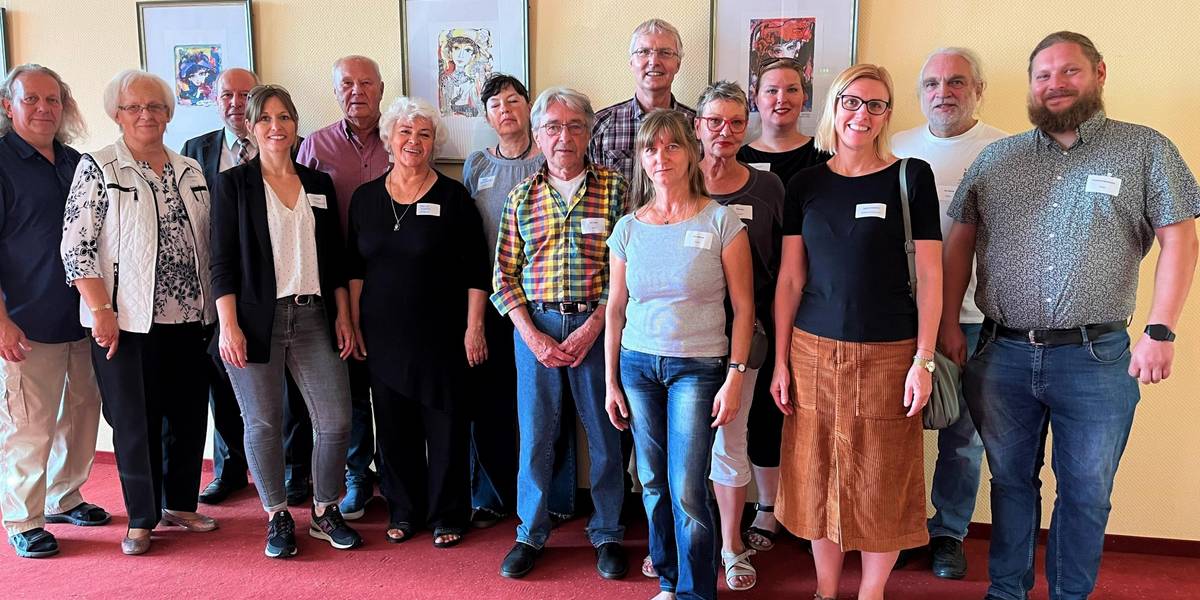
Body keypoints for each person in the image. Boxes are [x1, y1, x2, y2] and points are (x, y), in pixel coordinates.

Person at [944, 32, 1200, 600]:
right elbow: (958, 242)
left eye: (1069, 72)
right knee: (1010, 484)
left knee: (1086, 490)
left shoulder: (1144, 150)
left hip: (1097, 356)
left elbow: (1181, 239)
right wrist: (945, 326)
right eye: (1044, 75)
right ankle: (1006, 591)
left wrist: (1161, 329)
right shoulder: (998, 158)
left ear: (1099, 74)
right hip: (1002, 353)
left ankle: (1068, 594)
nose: (1055, 84)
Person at [771, 64, 941, 600]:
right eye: (851, 101)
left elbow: (933, 278)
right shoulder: (804, 183)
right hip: (811, 351)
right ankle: (825, 590)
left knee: (881, 481)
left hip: (890, 353)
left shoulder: (912, 178)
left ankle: (871, 593)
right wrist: (779, 360)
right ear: (833, 106)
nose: (861, 115)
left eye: (875, 105)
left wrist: (925, 359)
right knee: (817, 477)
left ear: (888, 114)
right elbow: (791, 278)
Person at [60, 69, 218, 555]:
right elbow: (76, 247)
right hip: (125, 322)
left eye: (155, 106)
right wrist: (100, 308)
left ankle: (182, 503)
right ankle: (142, 518)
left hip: (191, 319)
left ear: (170, 113)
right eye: (134, 107)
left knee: (188, 416)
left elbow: (209, 242)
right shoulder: (98, 166)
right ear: (117, 114)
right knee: (135, 420)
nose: (146, 115)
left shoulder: (190, 168)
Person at [605, 108, 753, 600]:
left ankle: (696, 592)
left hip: (699, 368)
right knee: (649, 481)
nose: (660, 157)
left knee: (688, 486)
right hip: (638, 366)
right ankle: (668, 582)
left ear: (691, 153)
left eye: (672, 146)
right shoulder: (628, 228)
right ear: (641, 158)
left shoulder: (720, 221)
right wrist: (610, 381)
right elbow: (616, 309)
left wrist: (734, 377)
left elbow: (745, 307)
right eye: (651, 148)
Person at [210, 84, 361, 558]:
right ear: (251, 128)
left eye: (284, 117)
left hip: (314, 314)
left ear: (296, 124)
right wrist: (229, 326)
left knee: (336, 421)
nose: (276, 127)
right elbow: (222, 263)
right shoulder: (233, 185)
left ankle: (324, 509)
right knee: (263, 424)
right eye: (265, 119)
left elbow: (334, 260)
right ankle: (276, 515)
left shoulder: (318, 184)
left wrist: (343, 314)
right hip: (255, 320)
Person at [494, 87, 627, 580]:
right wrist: (531, 335)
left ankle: (609, 531)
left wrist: (596, 325)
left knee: (606, 432)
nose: (563, 136)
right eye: (552, 127)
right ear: (538, 135)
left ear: (589, 131)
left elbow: (628, 267)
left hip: (600, 326)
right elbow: (503, 276)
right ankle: (530, 532)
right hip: (537, 328)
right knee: (536, 437)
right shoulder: (520, 197)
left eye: (574, 126)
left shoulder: (615, 189)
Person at [347, 96, 488, 548]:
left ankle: (449, 513)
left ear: (434, 143)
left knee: (445, 425)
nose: (414, 141)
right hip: (383, 335)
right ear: (388, 138)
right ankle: (404, 510)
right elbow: (353, 269)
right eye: (405, 132)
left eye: (424, 134)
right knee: (392, 427)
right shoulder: (365, 199)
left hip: (443, 335)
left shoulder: (453, 197)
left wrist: (475, 327)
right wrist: (350, 322)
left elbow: (475, 270)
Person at [889, 47, 1007, 579]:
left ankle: (947, 533)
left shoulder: (1006, 152)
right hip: (898, 318)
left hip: (973, 318)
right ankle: (894, 527)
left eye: (957, 82)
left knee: (963, 436)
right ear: (920, 94)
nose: (944, 92)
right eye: (933, 83)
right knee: (894, 430)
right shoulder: (894, 147)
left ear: (978, 90)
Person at [0, 64, 108, 559]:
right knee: (30, 424)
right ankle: (23, 517)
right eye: (32, 100)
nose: (45, 109)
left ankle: (66, 497)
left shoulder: (76, 162)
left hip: (82, 320)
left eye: (54, 100)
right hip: (25, 322)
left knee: (83, 416)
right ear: (8, 106)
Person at [461, 73, 578, 530]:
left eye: (514, 100)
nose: (505, 109)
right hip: (492, 302)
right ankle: (492, 495)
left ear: (529, 109)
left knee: (555, 406)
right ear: (486, 115)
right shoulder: (476, 165)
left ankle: (558, 497)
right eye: (495, 104)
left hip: (547, 304)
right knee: (491, 403)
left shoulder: (549, 159)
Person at [693, 80, 786, 591]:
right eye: (714, 121)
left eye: (734, 122)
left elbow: (781, 266)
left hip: (745, 337)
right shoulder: (671, 180)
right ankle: (686, 544)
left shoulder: (767, 187)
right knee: (678, 448)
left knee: (731, 442)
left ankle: (730, 546)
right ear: (697, 125)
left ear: (746, 127)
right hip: (681, 338)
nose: (724, 132)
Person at [734, 58, 830, 551]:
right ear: (757, 96)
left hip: (807, 299)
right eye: (771, 89)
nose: (781, 99)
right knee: (753, 412)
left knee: (794, 405)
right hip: (742, 306)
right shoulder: (735, 153)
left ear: (804, 97)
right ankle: (763, 507)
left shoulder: (825, 154)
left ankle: (797, 506)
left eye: (792, 90)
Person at [295, 55, 391, 517]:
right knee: (349, 386)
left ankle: (395, 474)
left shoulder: (400, 136)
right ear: (335, 91)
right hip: (335, 283)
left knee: (390, 384)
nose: (357, 91)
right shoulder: (315, 146)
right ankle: (358, 475)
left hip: (393, 283)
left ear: (381, 88)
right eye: (347, 84)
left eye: (366, 83)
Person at [180, 66, 260, 506]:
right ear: (216, 100)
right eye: (227, 95)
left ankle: (290, 470)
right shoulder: (196, 151)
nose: (236, 103)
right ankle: (229, 470)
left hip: (274, 285)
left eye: (245, 94)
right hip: (219, 284)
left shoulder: (290, 147)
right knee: (223, 378)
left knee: (281, 386)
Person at [590, 19, 696, 188]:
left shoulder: (695, 126)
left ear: (678, 64)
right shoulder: (601, 125)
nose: (654, 61)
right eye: (644, 52)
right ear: (631, 63)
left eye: (665, 52)